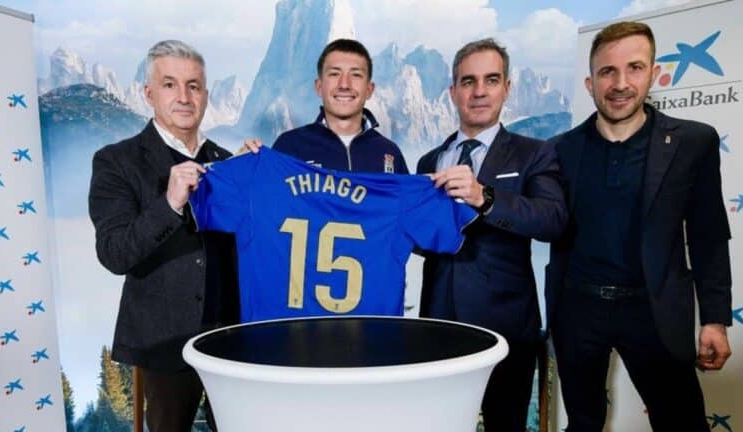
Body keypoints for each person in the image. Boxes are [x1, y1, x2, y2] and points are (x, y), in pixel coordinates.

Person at [547, 21, 732, 431]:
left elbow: (709, 237)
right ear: (590, 83)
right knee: (582, 423)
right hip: (578, 312)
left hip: (655, 311)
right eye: (607, 72)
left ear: (654, 73)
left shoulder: (694, 143)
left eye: (634, 68)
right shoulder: (560, 150)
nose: (620, 83)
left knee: (682, 423)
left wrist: (715, 320)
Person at [416, 38, 567, 431]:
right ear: (453, 92)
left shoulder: (535, 153)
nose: (479, 91)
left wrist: (485, 198)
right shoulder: (429, 160)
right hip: (439, 325)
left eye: (491, 80)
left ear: (507, 88)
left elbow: (552, 220)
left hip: (506, 328)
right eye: (468, 81)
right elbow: (424, 242)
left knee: (506, 425)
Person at [89, 40, 238, 432]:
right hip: (162, 344)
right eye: (170, 84)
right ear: (149, 94)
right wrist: (169, 203)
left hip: (229, 343)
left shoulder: (228, 162)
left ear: (206, 95)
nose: (184, 97)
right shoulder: (116, 161)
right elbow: (114, 253)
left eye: (194, 85)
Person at [242, 38, 408, 174]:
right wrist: (240, 167)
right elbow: (259, 199)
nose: (344, 84)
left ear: (369, 90)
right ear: (319, 87)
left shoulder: (390, 153)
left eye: (356, 75)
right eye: (334, 74)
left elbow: (411, 203)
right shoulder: (289, 147)